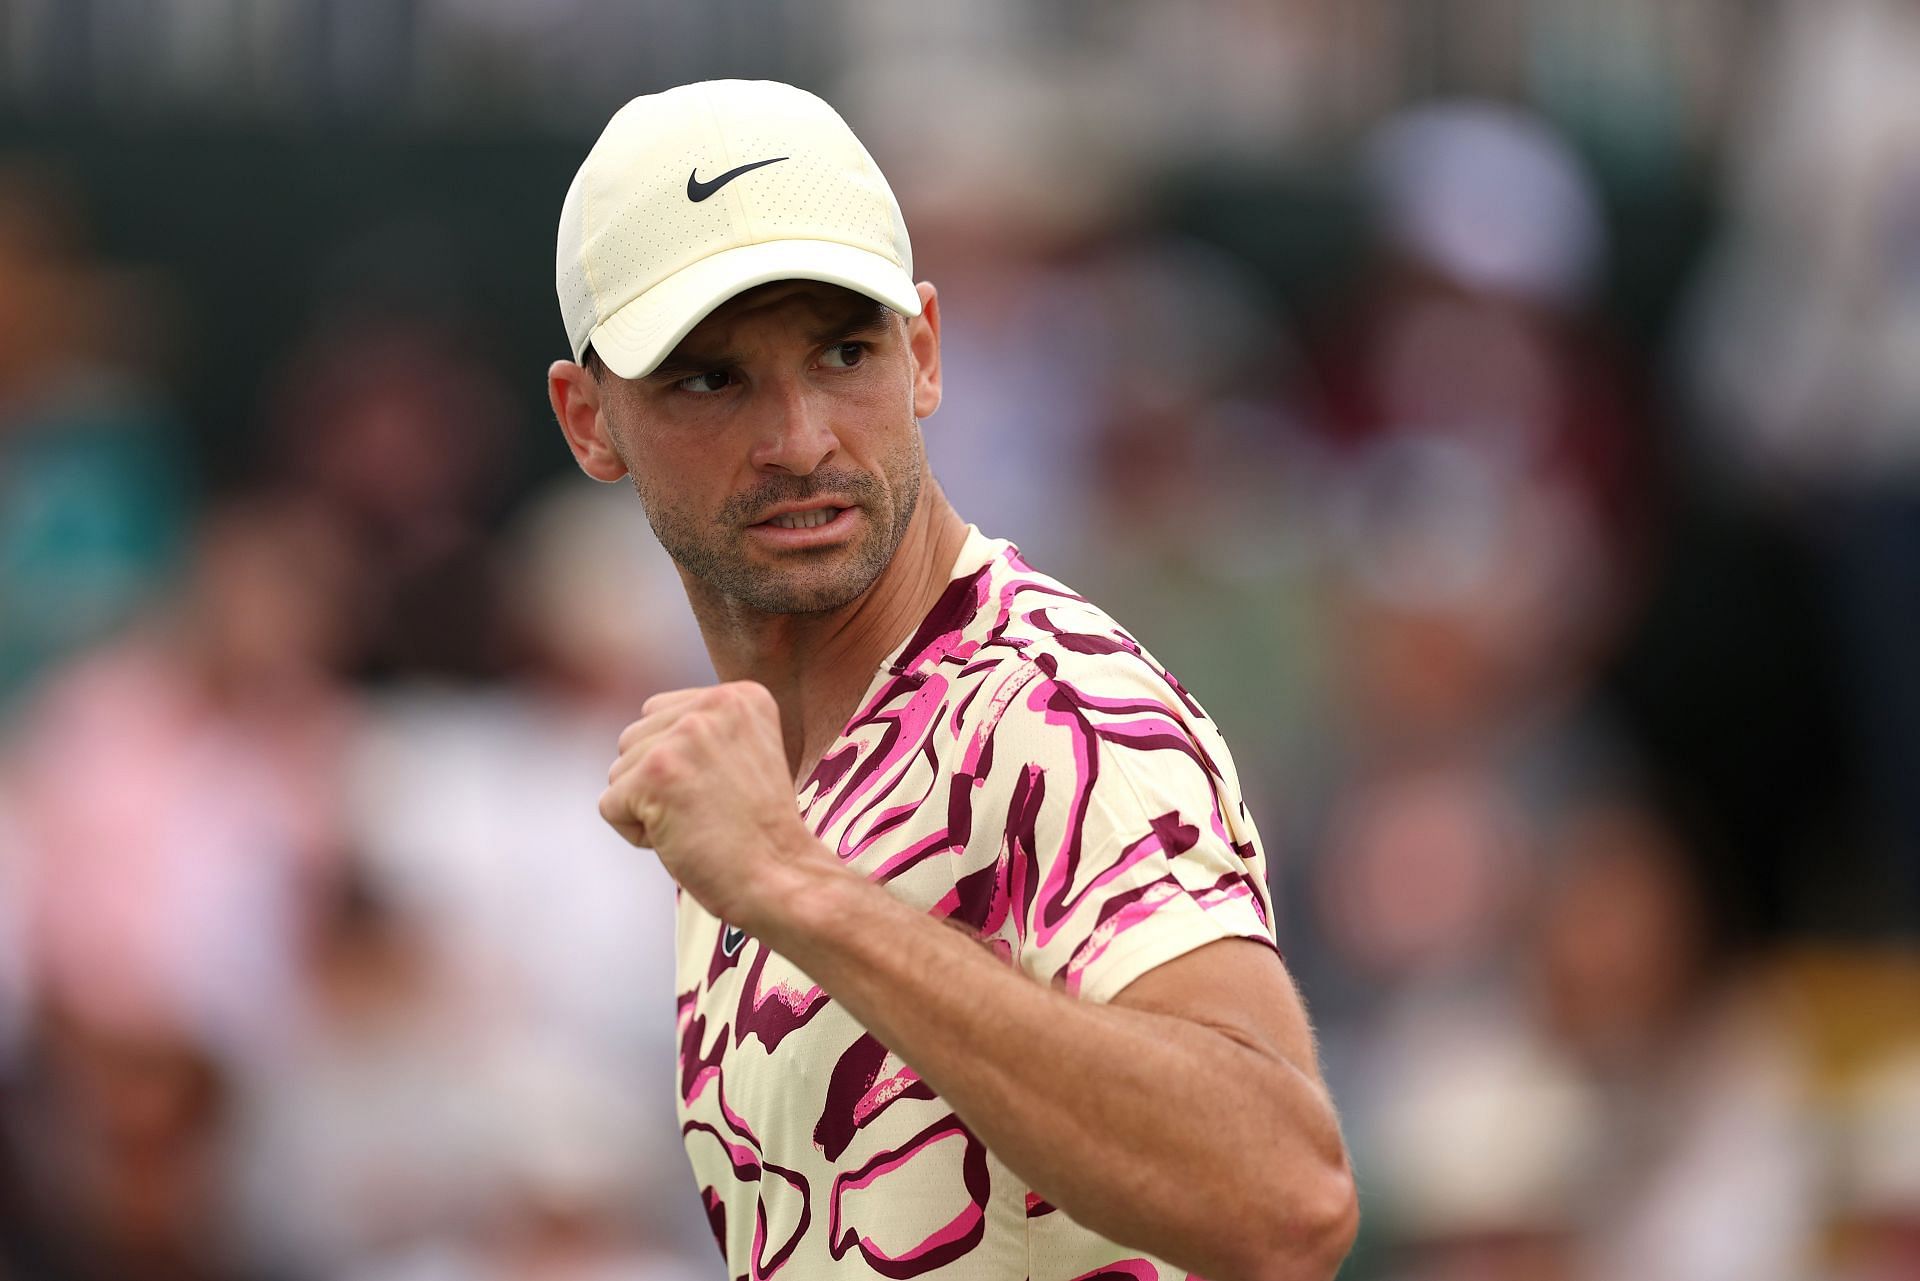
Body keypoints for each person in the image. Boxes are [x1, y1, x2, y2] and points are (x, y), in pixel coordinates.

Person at [543, 79, 1357, 1281]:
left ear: (922, 353)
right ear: (588, 422)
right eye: (712, 379)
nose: (805, 437)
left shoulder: (1050, 708)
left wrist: (793, 883)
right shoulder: (766, 787)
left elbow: (1287, 1199)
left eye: (844, 350)